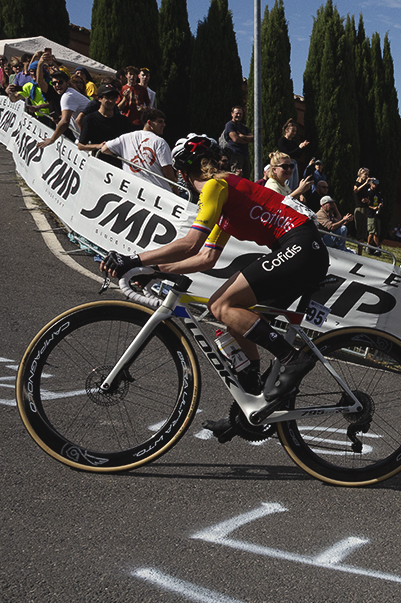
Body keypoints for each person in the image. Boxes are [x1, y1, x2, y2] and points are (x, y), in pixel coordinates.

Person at [99, 135, 329, 411]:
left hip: (301, 246)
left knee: (220, 304)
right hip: (300, 250)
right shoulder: (225, 200)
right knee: (236, 320)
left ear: (183, 173)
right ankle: (252, 400)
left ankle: (292, 358)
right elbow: (206, 257)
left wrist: (132, 259)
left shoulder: (215, 186)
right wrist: (154, 270)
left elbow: (189, 244)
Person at [96, 109, 177, 191]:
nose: (164, 125)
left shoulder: (126, 137)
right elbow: (167, 170)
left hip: (132, 189)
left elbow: (104, 149)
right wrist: (175, 188)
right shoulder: (159, 142)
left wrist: (123, 154)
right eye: (160, 122)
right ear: (149, 123)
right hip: (157, 191)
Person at [77, 84, 135, 162]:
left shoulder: (123, 120)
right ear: (99, 99)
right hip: (100, 163)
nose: (111, 101)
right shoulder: (89, 120)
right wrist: (98, 146)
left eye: (114, 97)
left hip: (120, 163)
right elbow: (81, 145)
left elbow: (130, 142)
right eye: (107, 98)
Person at [36, 71, 90, 149]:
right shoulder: (70, 92)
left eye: (60, 82)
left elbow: (65, 122)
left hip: (90, 137)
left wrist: (52, 139)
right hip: (85, 135)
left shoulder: (68, 96)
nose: (57, 85)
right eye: (54, 83)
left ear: (67, 83)